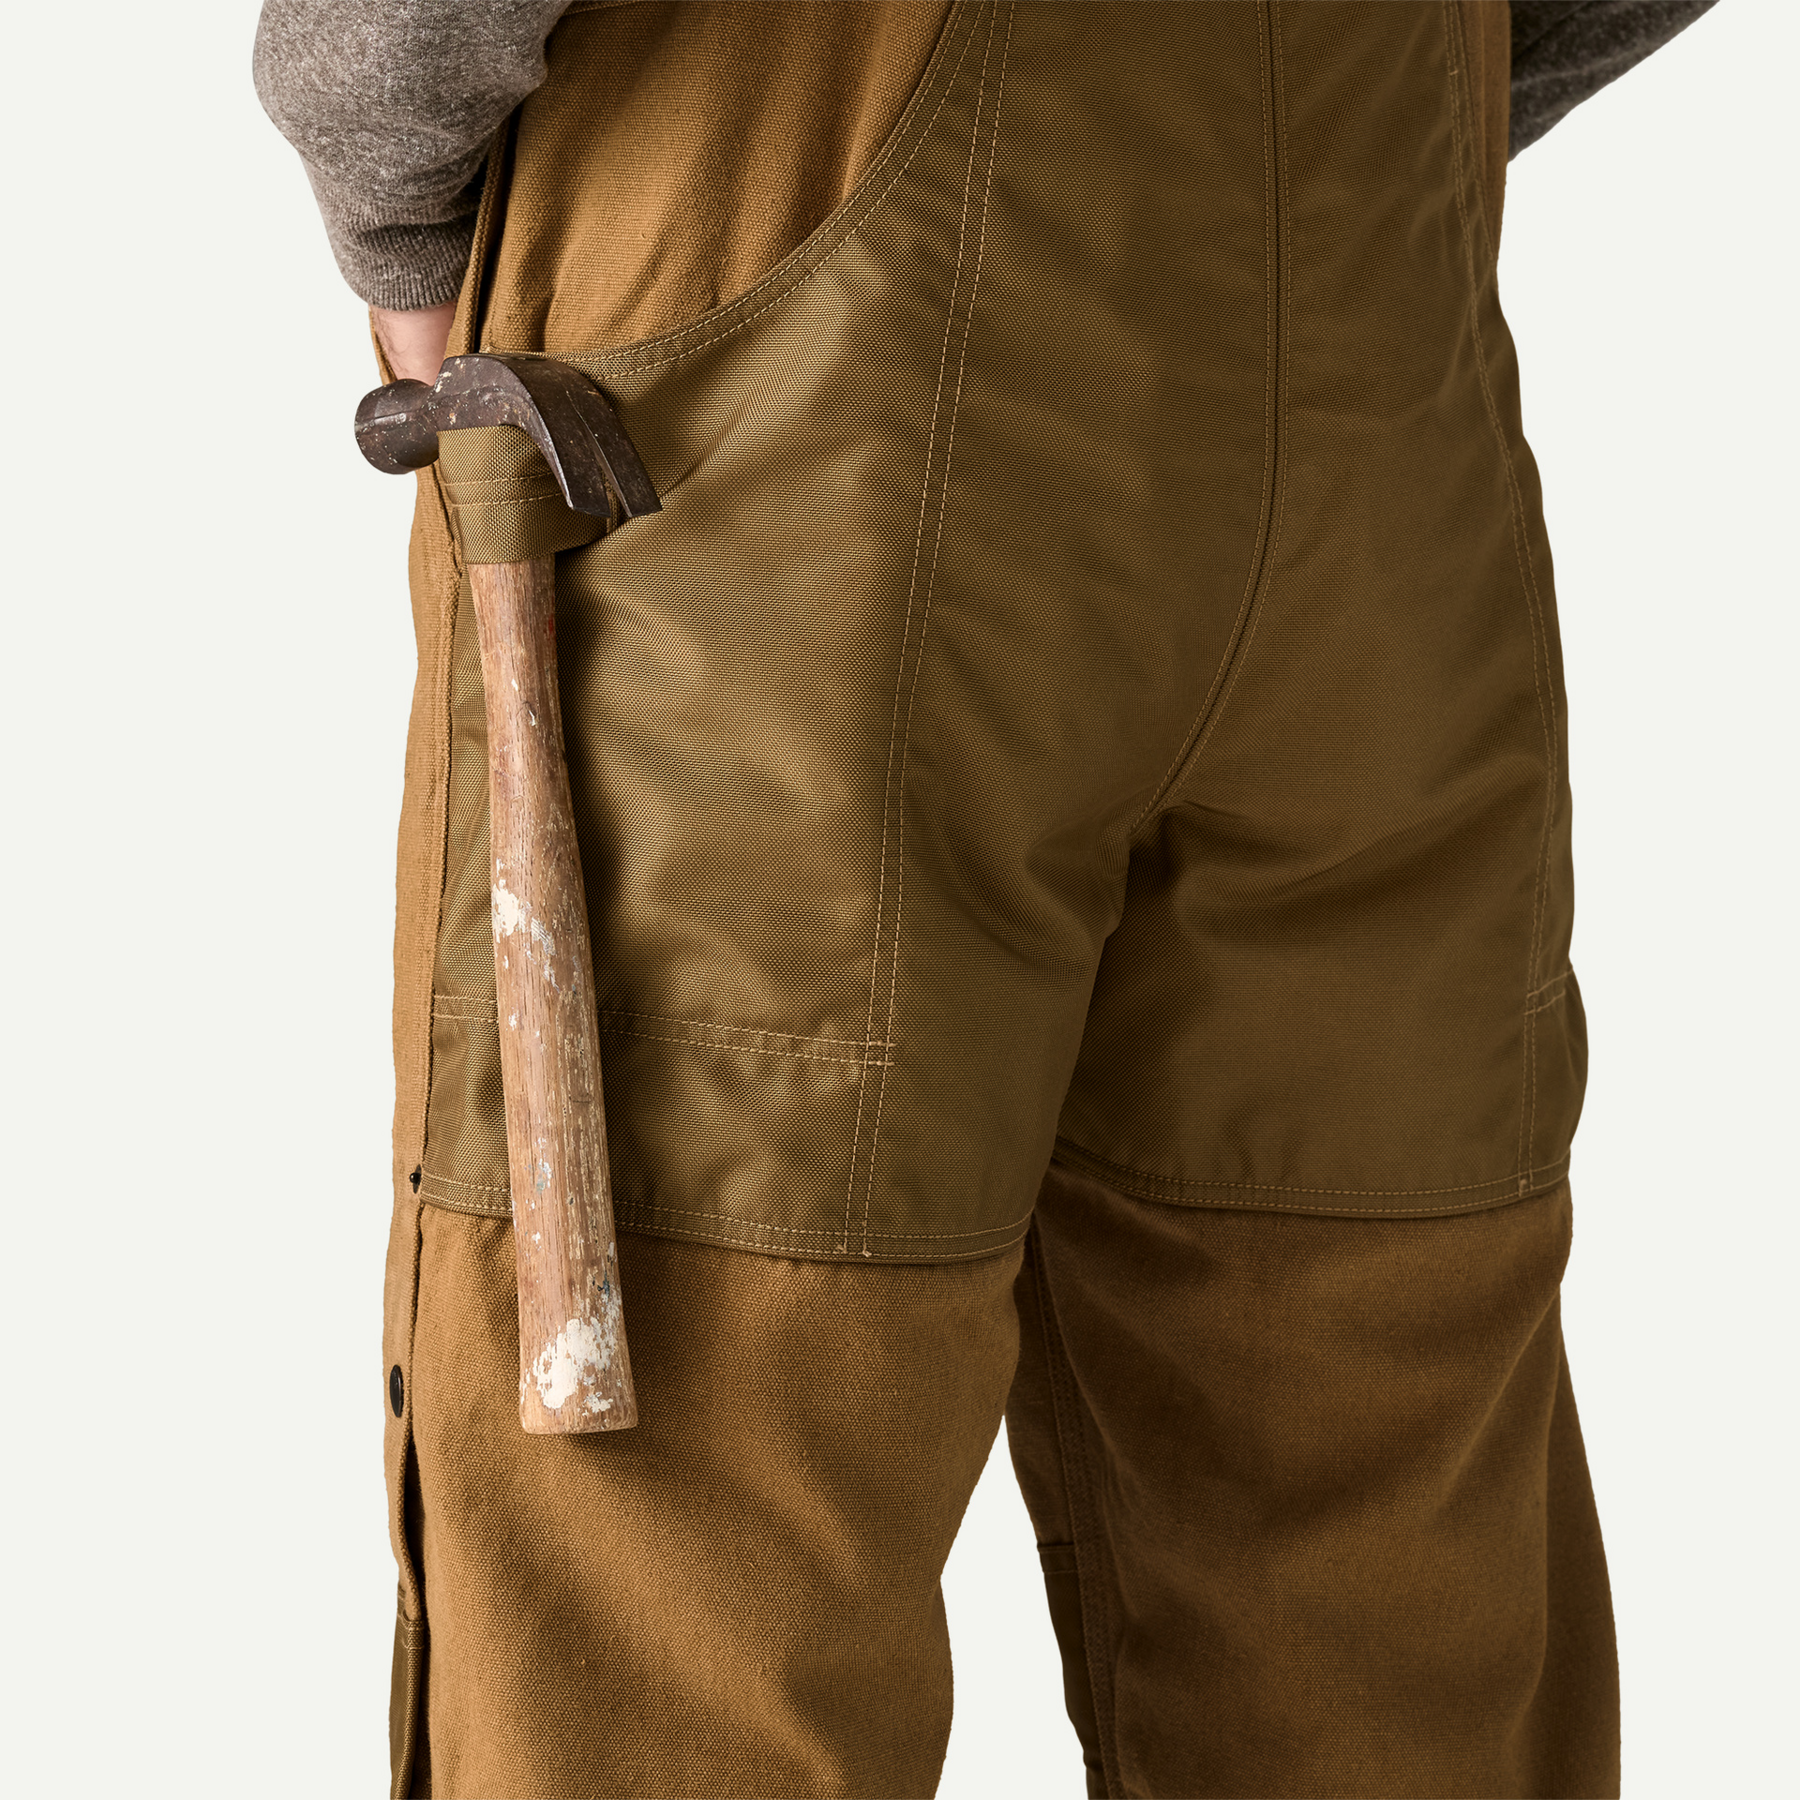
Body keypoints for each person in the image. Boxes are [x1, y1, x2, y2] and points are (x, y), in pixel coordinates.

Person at [255, 5, 1718, 1796]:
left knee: (688, 1581)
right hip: (1369, 332)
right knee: (1380, 1544)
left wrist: (394, 183)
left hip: (799, 371)